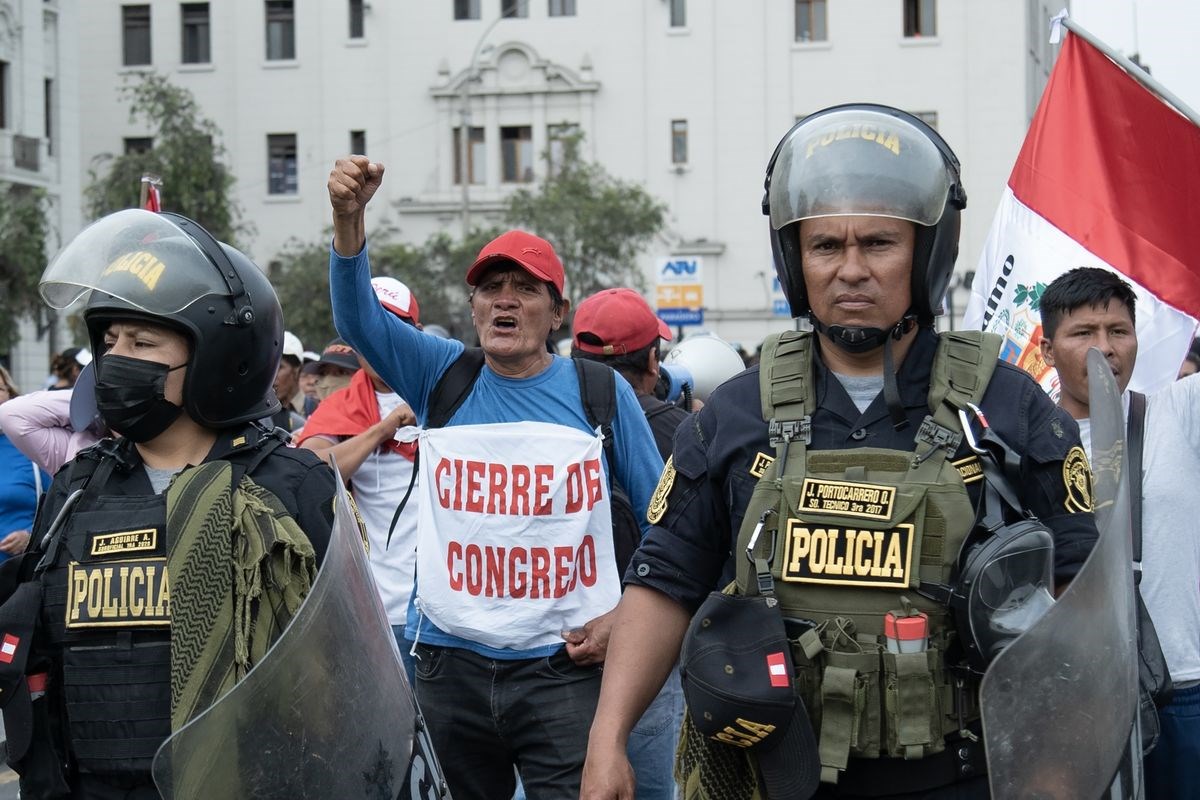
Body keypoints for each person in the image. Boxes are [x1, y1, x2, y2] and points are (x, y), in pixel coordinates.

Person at [580, 104, 1098, 800]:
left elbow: (1081, 596)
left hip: (964, 775)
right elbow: (665, 581)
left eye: (879, 243)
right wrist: (607, 740)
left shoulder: (1007, 411)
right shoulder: (736, 413)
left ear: (927, 251)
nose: (850, 270)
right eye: (826, 246)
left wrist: (1061, 763)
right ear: (796, 258)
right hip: (776, 774)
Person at [327, 155, 665, 800]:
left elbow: (667, 523)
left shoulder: (600, 394)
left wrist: (625, 616)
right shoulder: (441, 376)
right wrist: (349, 219)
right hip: (446, 671)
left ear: (557, 312)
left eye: (526, 288)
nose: (504, 299)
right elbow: (357, 321)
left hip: (563, 673)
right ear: (474, 306)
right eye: (490, 287)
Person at [0, 209, 337, 798]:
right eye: (109, 341)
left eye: (143, 341)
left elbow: (338, 686)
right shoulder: (79, 486)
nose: (116, 357)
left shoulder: (290, 485)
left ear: (221, 357)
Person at [1038, 267, 1200, 800]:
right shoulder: (1024, 443)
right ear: (1047, 346)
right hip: (1073, 698)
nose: (1103, 348)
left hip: (1184, 686)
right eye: (1083, 333)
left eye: (1118, 331)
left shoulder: (1178, 411)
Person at [570, 287, 690, 800]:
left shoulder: (542, 420)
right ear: (652, 360)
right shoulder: (691, 433)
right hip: (650, 648)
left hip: (555, 646)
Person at [298, 276, 422, 682]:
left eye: (392, 325)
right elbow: (310, 469)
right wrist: (382, 430)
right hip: (384, 611)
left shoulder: (446, 391)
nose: (379, 338)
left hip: (457, 614)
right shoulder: (343, 406)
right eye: (368, 328)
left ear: (414, 333)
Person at [0, 366, 50, 562]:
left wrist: (30, 536)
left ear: (11, 396)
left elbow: (59, 507)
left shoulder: (30, 444)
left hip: (18, 576)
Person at [269, 331, 308, 433]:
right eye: (267, 367)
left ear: (297, 371)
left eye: (279, 367)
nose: (270, 375)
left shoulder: (316, 409)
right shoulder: (261, 412)